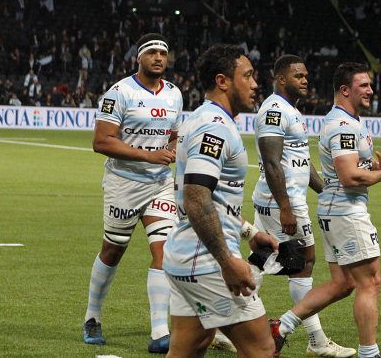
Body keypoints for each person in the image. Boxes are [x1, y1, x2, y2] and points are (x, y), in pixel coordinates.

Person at [272, 62, 381, 358]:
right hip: (346, 212)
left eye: (370, 85)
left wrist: (376, 167)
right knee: (370, 281)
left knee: (344, 283)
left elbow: (352, 168)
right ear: (345, 90)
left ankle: (281, 326)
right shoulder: (342, 125)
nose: (371, 90)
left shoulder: (351, 121)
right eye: (364, 85)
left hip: (337, 211)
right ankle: (369, 353)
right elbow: (349, 177)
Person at [163, 44, 279, 358]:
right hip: (207, 262)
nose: (256, 85)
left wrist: (249, 232)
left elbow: (213, 198)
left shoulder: (206, 119)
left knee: (189, 349)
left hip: (186, 256)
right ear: (223, 81)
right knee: (263, 350)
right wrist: (227, 261)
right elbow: (197, 197)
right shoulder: (214, 127)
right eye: (248, 76)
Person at [84, 33, 184, 353]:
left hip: (159, 184)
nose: (158, 57)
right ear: (138, 58)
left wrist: (172, 150)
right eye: (152, 52)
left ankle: (159, 333)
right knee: (113, 251)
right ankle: (92, 317)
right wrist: (149, 155)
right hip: (123, 183)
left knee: (164, 252)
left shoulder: (174, 94)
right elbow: (102, 142)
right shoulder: (119, 93)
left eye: (163, 53)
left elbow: (174, 135)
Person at [253, 55, 356, 357]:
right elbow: (272, 163)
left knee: (260, 260)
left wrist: (327, 191)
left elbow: (301, 161)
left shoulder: (292, 111)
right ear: (281, 79)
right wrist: (285, 206)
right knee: (304, 263)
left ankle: (221, 324)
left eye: (306, 75)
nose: (305, 80)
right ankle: (316, 340)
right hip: (282, 201)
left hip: (283, 199)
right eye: (298, 75)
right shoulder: (273, 109)